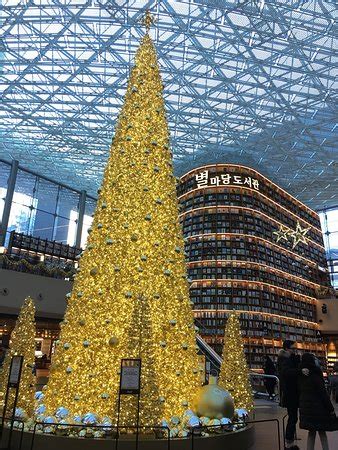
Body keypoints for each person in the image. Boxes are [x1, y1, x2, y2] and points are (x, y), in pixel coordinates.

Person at [299, 353, 337, 450]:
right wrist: (331, 408)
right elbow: (322, 394)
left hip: (306, 409)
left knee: (311, 432)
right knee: (322, 432)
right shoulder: (316, 374)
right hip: (318, 409)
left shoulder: (301, 374)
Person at [278, 340, 308, 450]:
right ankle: (288, 443)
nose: (294, 350)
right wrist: (299, 371)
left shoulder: (290, 358)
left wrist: (296, 361)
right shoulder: (283, 359)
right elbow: (286, 372)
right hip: (290, 393)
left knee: (293, 417)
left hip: (293, 392)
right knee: (292, 417)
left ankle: (289, 442)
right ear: (286, 348)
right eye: (292, 348)